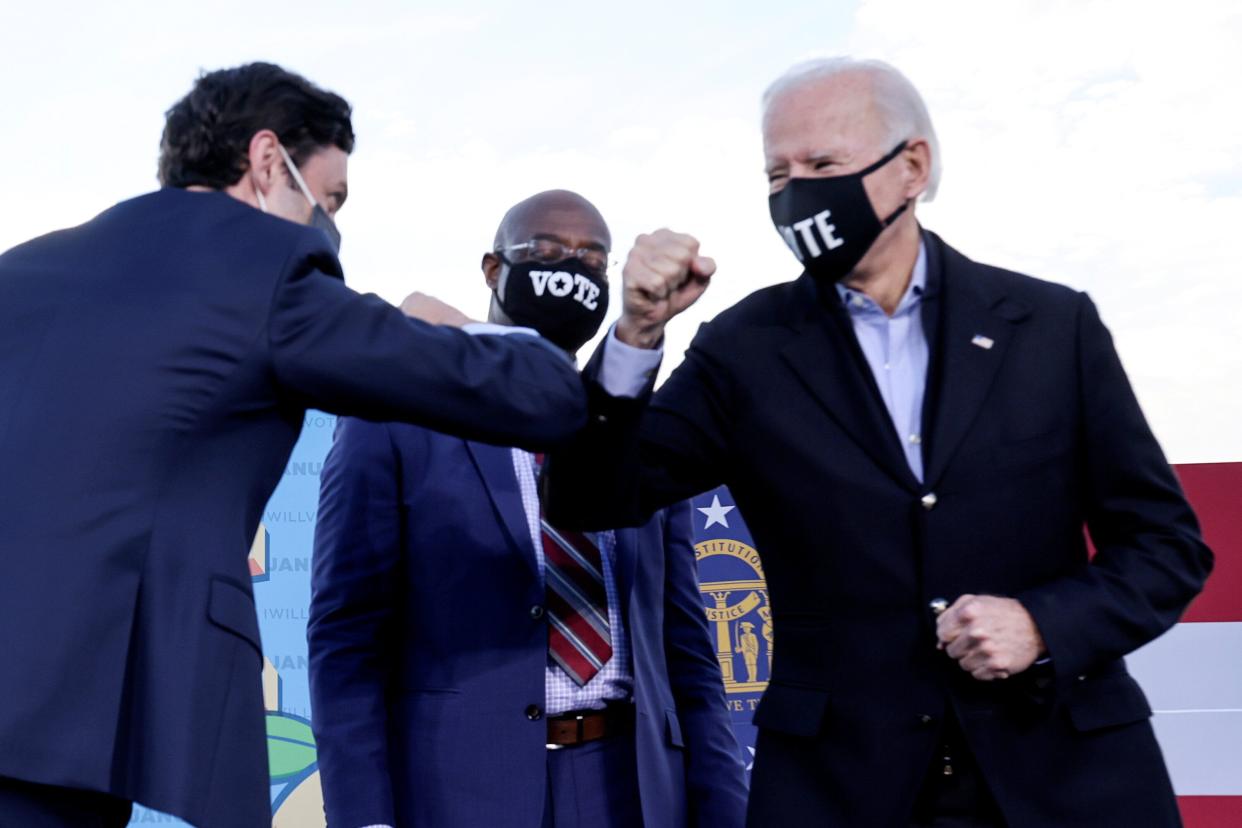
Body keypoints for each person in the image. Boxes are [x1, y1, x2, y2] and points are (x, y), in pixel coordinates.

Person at [542, 58, 1213, 827]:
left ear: (912, 167)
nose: (796, 192)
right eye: (776, 173)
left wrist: (1043, 625)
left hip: (1061, 776)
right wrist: (636, 333)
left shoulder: (1052, 328)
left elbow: (1166, 547)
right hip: (840, 789)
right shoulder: (747, 349)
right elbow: (594, 497)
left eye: (823, 164)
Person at [0, 64, 586, 828]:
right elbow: (528, 395)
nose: (330, 225)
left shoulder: (23, 270)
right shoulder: (263, 265)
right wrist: (471, 328)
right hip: (70, 723)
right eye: (329, 198)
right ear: (268, 161)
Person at [308, 190, 747, 828]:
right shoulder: (397, 415)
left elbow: (688, 652)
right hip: (458, 792)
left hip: (630, 788)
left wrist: (724, 807)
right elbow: (346, 636)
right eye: (544, 252)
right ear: (493, 270)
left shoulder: (639, 431)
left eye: (592, 260)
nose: (569, 270)